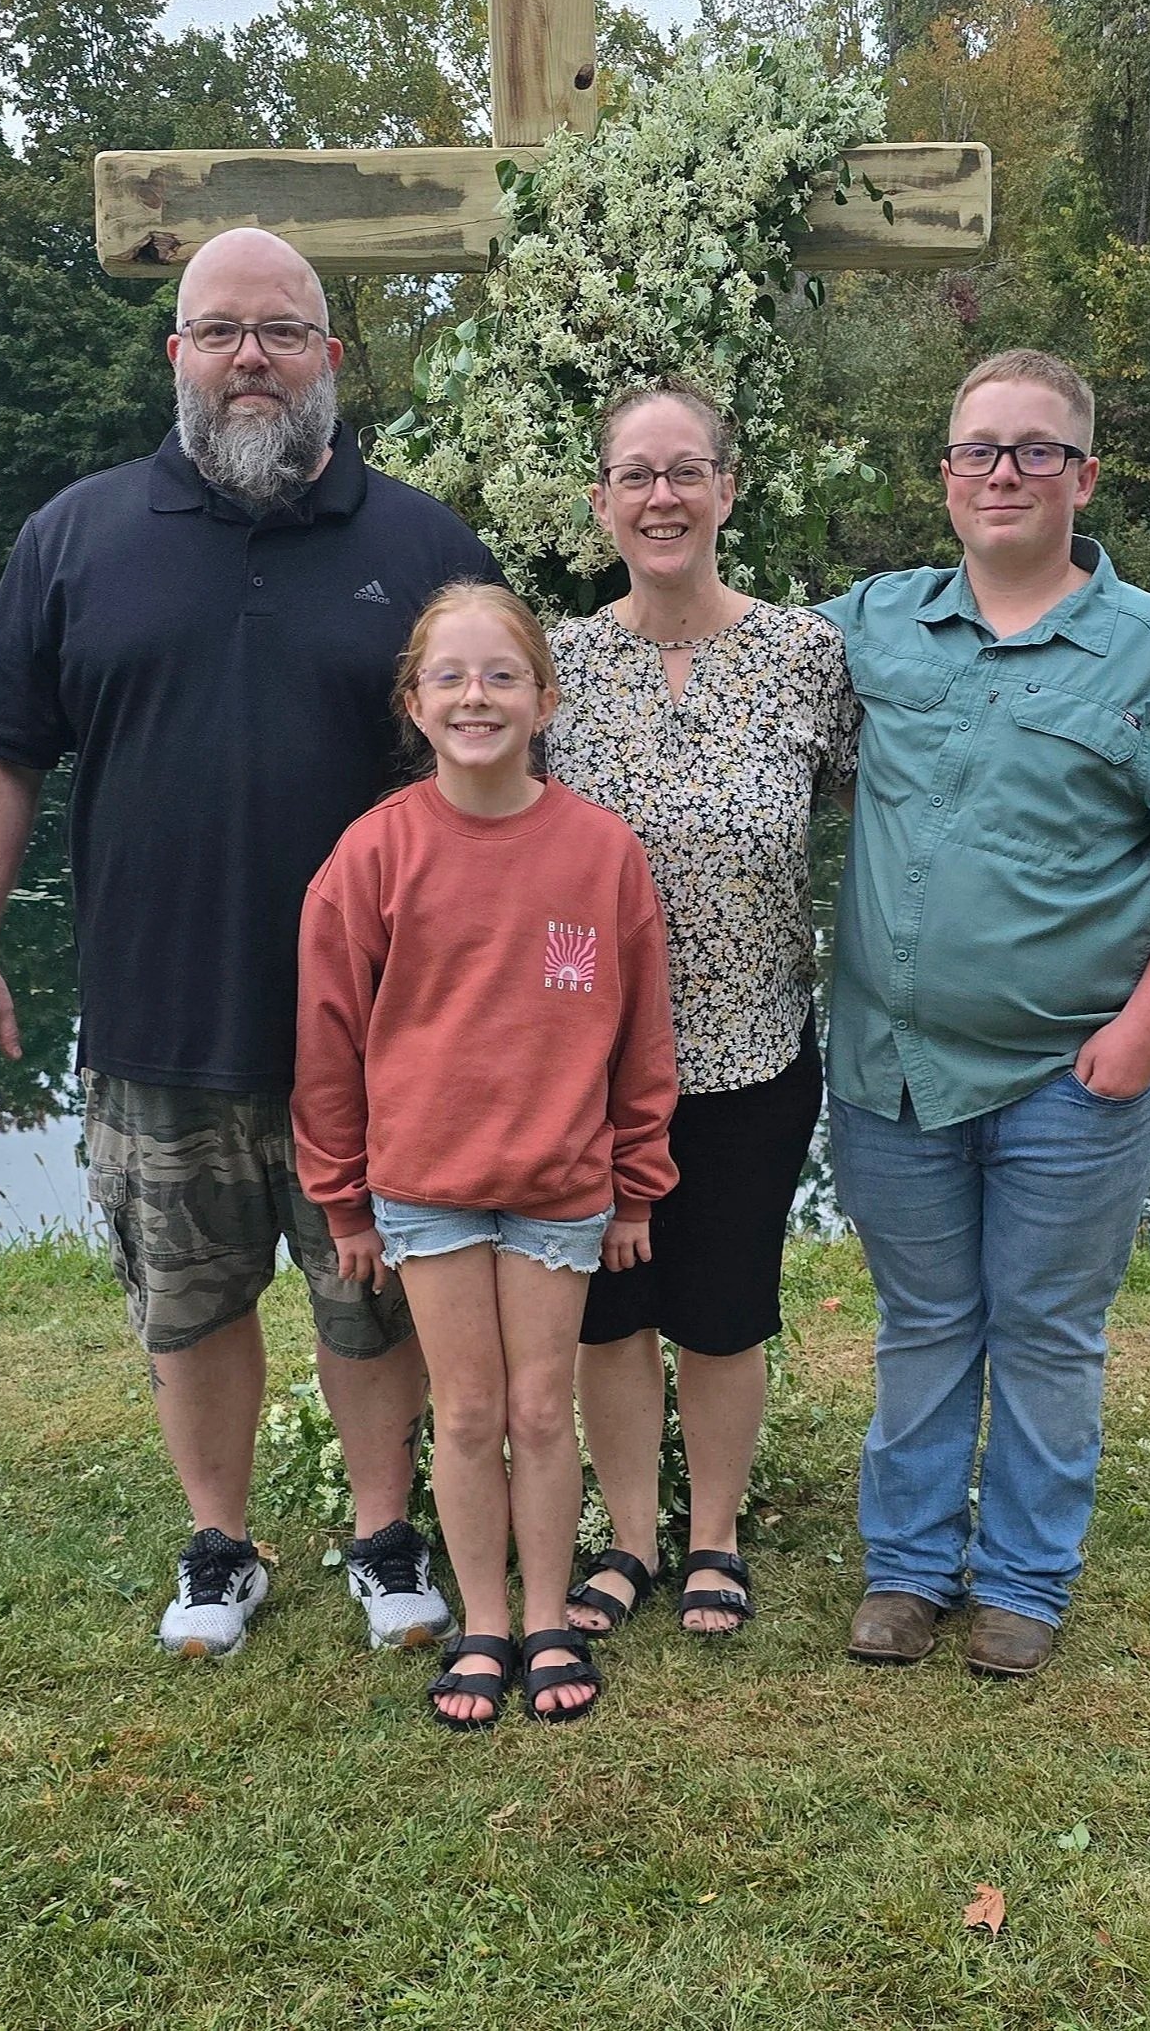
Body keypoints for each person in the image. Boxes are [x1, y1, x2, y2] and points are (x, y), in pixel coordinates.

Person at [0, 226, 499, 1660]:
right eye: (223, 331)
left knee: (369, 1300)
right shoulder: (75, 537)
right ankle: (221, 1548)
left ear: (330, 360)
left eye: (283, 333)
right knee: (187, 1301)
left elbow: (500, 772)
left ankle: (382, 1536)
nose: (254, 358)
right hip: (156, 1017)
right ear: (176, 354)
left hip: (381, 1031)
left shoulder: (422, 545)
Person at [819, 348, 1150, 1678]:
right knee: (921, 1324)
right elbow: (723, 656)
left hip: (1068, 1079)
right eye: (978, 449)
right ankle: (907, 1569)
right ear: (947, 475)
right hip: (889, 1071)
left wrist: (1135, 1042)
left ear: (1082, 474)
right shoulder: (873, 625)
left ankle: (1022, 1579)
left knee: (1042, 1330)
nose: (1003, 471)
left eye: (1033, 449)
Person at [293, 583, 677, 1726]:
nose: (476, 696)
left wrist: (636, 1178)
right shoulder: (373, 854)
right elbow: (327, 1040)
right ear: (415, 703)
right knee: (462, 1415)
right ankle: (484, 1623)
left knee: (539, 1411)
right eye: (450, 676)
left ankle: (550, 1613)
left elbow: (642, 1031)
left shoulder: (600, 853)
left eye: (502, 674)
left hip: (562, 1186)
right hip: (427, 1188)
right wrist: (345, 1201)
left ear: (545, 698)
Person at [547, 382, 859, 1638]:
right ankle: (628, 1537)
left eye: (687, 471)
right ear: (602, 503)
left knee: (725, 1306)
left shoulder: (806, 656)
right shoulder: (557, 665)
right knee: (608, 1312)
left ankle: (715, 1535)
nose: (662, 496)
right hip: (583, 1063)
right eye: (637, 474)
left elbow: (878, 811)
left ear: (728, 489)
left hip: (750, 1053)